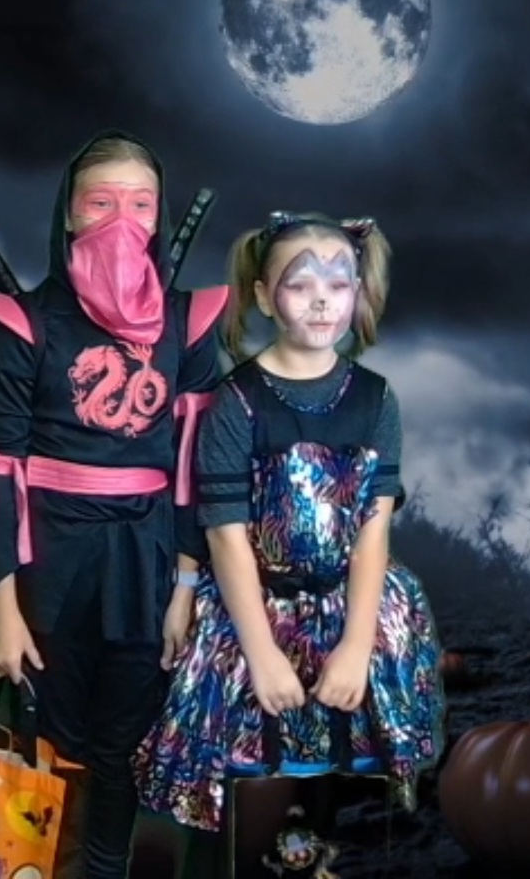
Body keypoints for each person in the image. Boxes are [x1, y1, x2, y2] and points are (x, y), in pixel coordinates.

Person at [132, 210, 445, 858]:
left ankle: (325, 851)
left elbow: (373, 531)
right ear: (265, 297)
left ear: (358, 292)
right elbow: (225, 536)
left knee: (342, 771)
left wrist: (356, 645)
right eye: (300, 285)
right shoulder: (237, 400)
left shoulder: (375, 400)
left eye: (338, 284)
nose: (321, 300)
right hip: (254, 608)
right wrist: (263, 653)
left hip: (350, 605)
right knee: (256, 772)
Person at [0, 130, 228, 879]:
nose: (121, 220)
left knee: (119, 747)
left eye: (140, 205)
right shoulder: (27, 323)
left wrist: (185, 585)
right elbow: (1, 470)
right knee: (50, 744)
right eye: (101, 202)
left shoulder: (188, 323)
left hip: (147, 562)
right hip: (48, 563)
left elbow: (194, 467)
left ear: (160, 216)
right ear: (70, 214)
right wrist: (1, 604)